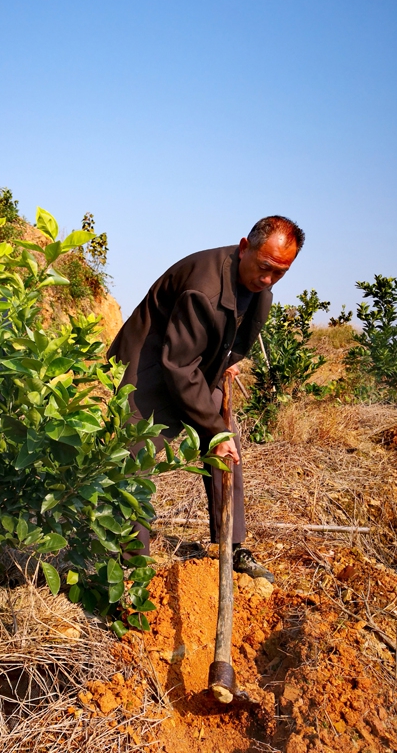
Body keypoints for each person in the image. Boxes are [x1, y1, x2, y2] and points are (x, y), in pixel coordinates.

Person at [107, 216, 305, 580]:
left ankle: (232, 545)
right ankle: (130, 573)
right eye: (263, 268)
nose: (267, 280)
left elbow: (233, 342)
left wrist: (226, 365)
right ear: (244, 247)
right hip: (148, 369)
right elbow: (177, 365)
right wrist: (213, 429)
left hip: (192, 367)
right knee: (133, 466)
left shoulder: (262, 293)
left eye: (279, 273)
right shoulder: (204, 287)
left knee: (228, 447)